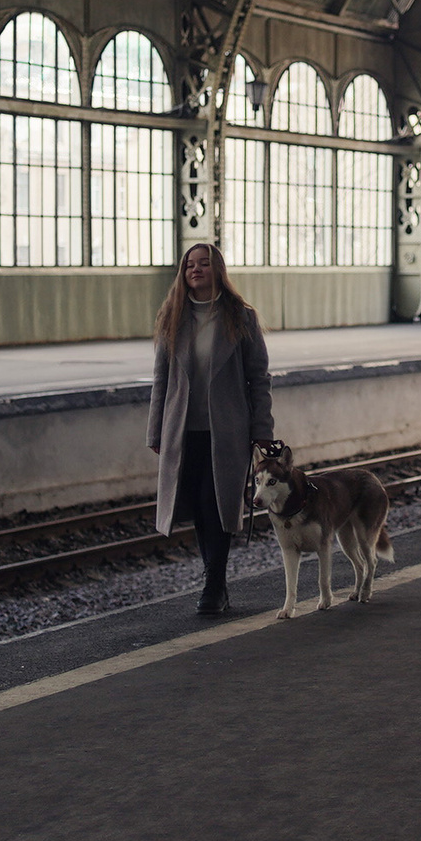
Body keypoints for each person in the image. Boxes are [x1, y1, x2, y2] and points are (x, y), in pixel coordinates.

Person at [149, 243, 272, 616]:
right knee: (200, 507)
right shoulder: (172, 316)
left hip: (227, 430)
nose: (196, 270)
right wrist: (156, 431)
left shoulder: (241, 317)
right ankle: (214, 581)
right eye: (190, 265)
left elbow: (259, 378)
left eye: (204, 264)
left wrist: (262, 429)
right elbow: (161, 379)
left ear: (218, 270)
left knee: (216, 504)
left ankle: (214, 585)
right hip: (183, 430)